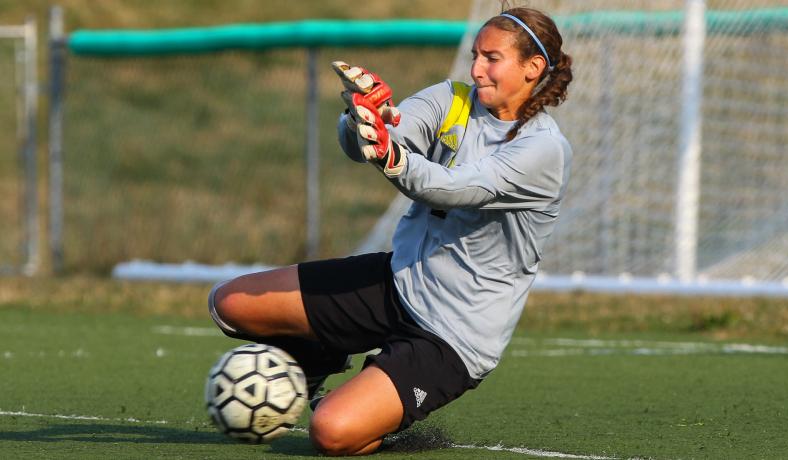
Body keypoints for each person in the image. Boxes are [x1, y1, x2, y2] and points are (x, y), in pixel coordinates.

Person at [208, 6, 573, 456]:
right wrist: (361, 118)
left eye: (492, 58)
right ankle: (323, 355)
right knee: (229, 303)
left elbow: (455, 188)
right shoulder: (452, 98)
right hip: (397, 280)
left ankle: (380, 415)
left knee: (332, 432)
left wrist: (390, 156)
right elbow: (372, 143)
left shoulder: (542, 149)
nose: (476, 68)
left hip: (451, 335)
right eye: (476, 55)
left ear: (533, 67)